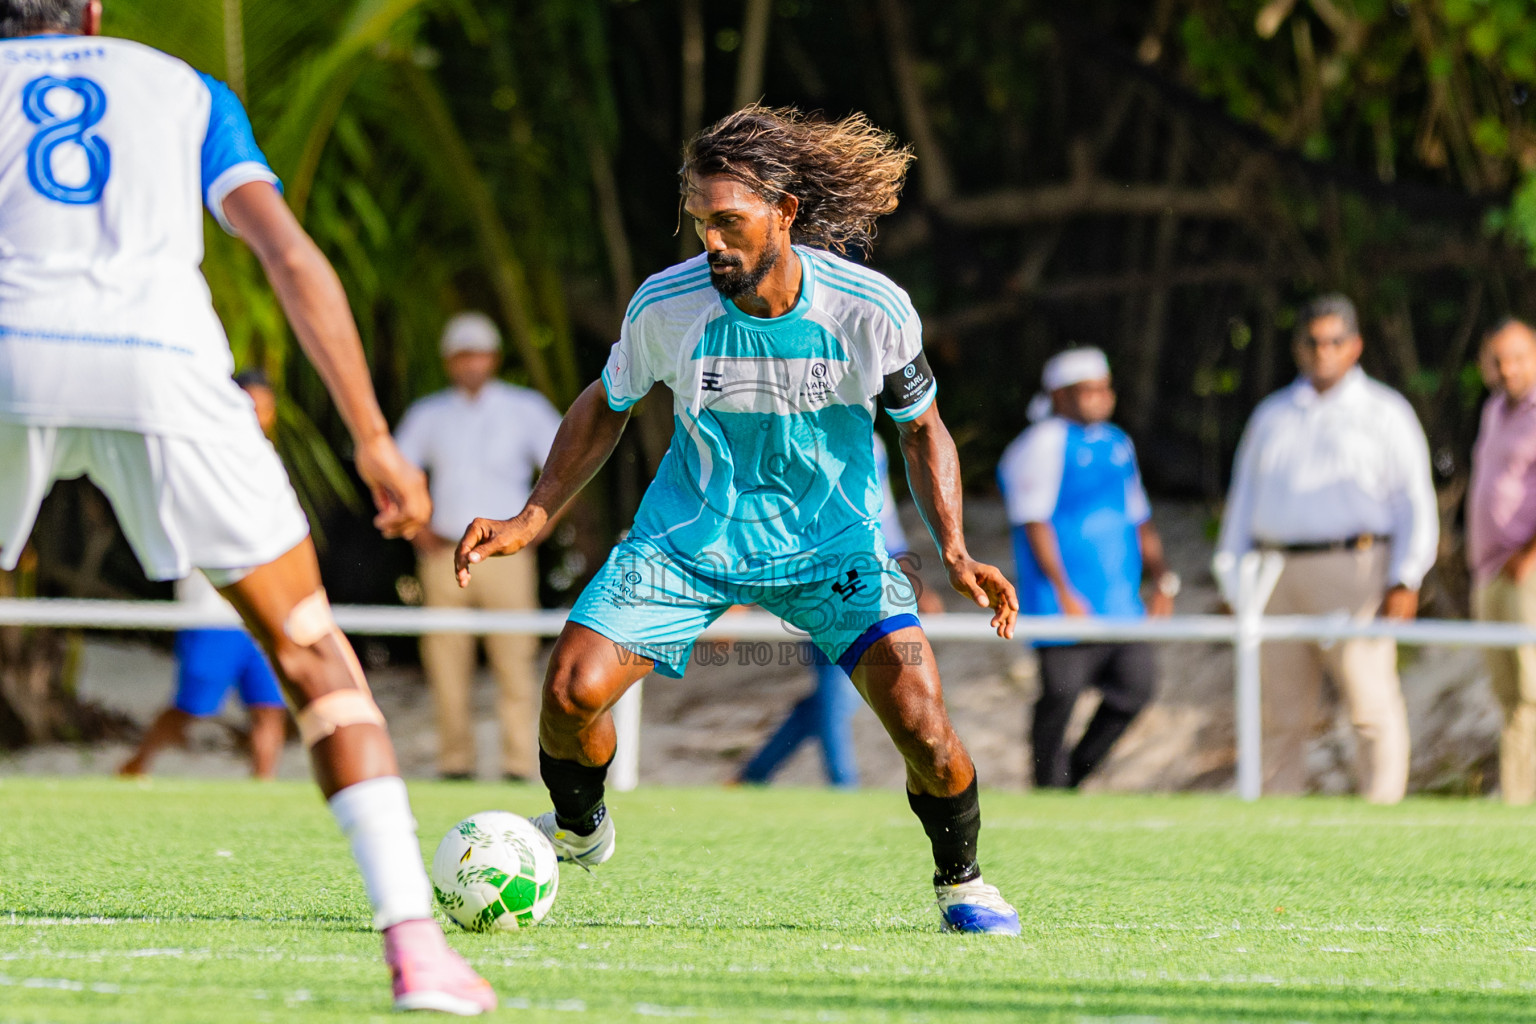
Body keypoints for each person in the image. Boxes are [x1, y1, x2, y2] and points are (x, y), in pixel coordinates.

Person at [0, 4, 493, 1013]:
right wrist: (372, 437)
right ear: (91, 14)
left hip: (8, 357)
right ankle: (417, 951)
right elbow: (291, 258)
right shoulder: (184, 89)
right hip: (166, 367)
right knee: (314, 650)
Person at [454, 105, 1022, 934]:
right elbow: (607, 404)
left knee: (926, 729)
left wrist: (958, 551)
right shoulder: (667, 307)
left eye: (729, 221)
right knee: (571, 692)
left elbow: (921, 428)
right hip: (689, 542)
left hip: (835, 548)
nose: (711, 242)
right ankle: (580, 830)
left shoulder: (870, 310)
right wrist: (534, 514)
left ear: (785, 213)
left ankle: (963, 884)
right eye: (700, 224)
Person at [1215, 294, 1437, 804]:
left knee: (1369, 704)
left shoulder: (1385, 412)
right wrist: (1232, 576)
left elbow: (1414, 502)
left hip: (1354, 567)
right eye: (1313, 342)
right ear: (1299, 347)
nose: (1323, 352)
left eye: (1335, 341)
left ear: (1355, 345)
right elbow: (1243, 502)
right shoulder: (1272, 415)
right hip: (1274, 572)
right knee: (1279, 713)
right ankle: (1276, 819)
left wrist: (1406, 576)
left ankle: (1382, 813)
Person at [997, 348, 1175, 789]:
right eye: (1087, 390)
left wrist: (1162, 578)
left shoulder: (1117, 442)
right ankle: (1046, 785)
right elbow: (1034, 522)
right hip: (1064, 603)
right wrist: (1063, 591)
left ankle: (1069, 778)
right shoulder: (1042, 443)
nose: (1099, 398)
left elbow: (1139, 517)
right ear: (1059, 395)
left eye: (1104, 388)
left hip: (1119, 602)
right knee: (1060, 697)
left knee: (1136, 689)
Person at [394, 312, 561, 782]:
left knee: (515, 661)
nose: (471, 363)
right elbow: (397, 474)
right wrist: (416, 529)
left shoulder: (524, 408)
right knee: (445, 664)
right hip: (443, 552)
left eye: (479, 353)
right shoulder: (428, 414)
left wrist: (540, 526)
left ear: (494, 358)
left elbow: (566, 468)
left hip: (507, 554)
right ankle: (455, 763)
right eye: (462, 354)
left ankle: (518, 763)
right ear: (450, 361)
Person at [736, 434, 944, 788]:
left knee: (838, 697)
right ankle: (843, 786)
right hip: (812, 578)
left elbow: (883, 517)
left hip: (862, 580)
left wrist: (909, 580)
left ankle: (753, 775)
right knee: (838, 688)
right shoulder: (792, 432)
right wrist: (742, 593)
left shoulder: (873, 442)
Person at [119, 371, 287, 780]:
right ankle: (136, 767)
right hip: (214, 609)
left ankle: (263, 794)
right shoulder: (202, 456)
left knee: (270, 707)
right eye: (250, 405)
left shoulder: (269, 464)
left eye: (264, 408)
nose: (258, 415)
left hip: (267, 610)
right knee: (191, 707)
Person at [1467, 318, 1536, 805]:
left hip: (1526, 571)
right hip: (1489, 570)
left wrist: (1529, 554)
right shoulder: (1493, 410)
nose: (1507, 368)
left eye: (1518, 356)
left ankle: (1520, 803)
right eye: (1498, 358)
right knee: (1508, 695)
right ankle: (1516, 800)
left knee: (1533, 693)